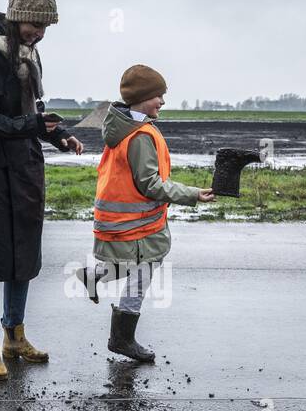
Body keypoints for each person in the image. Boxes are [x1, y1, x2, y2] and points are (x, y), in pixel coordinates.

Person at [0, 0, 84, 379]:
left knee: (23, 257)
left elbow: (31, 114)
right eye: (35, 24)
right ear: (15, 18)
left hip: (24, 169)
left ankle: (15, 337)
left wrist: (58, 135)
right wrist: (28, 128)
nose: (40, 33)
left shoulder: (29, 54)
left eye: (45, 27)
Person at [74, 65, 214, 361]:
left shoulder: (126, 128)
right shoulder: (139, 135)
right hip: (136, 223)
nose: (162, 101)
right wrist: (193, 194)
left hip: (123, 221)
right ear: (140, 99)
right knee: (142, 271)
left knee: (129, 264)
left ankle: (93, 275)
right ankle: (122, 339)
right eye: (157, 96)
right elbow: (150, 184)